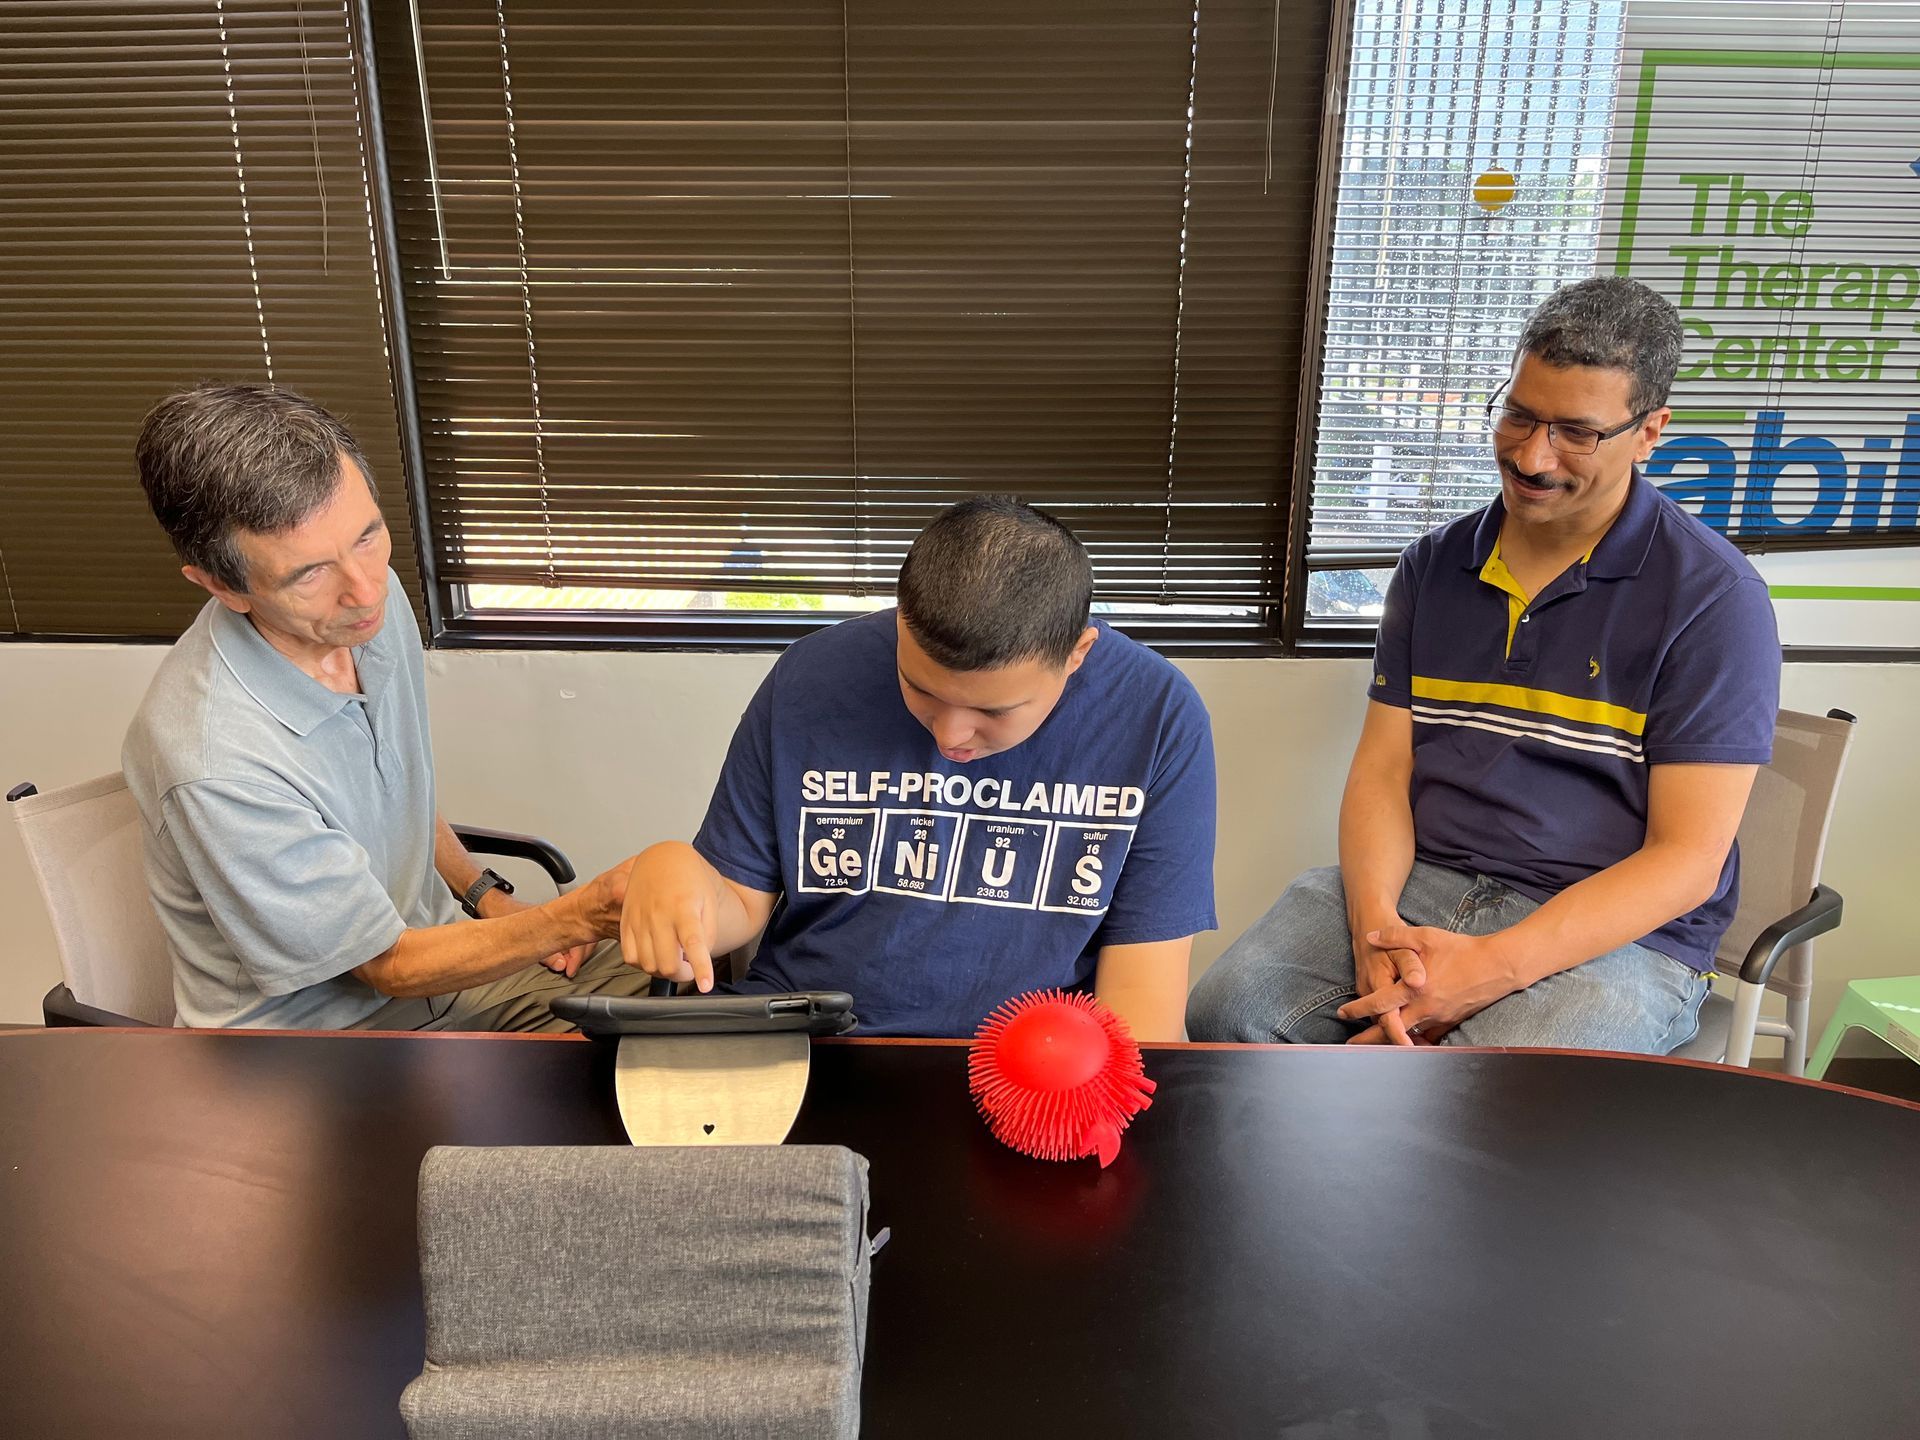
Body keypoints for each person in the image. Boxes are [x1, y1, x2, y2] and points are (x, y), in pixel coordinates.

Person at [1188, 275, 1780, 1051]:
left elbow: (1687, 862)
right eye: (1519, 415)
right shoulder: (1433, 567)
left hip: (1609, 932)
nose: (1533, 457)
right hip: (1425, 884)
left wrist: (1487, 970)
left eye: (1576, 432)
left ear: (1649, 430)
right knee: (1230, 1012)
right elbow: (1381, 773)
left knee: (1485, 1094)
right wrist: (1377, 935)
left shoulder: (1713, 598)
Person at [122, 383, 652, 1029]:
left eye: (368, 536)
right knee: (616, 1074)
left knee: (674, 974)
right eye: (309, 573)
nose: (366, 588)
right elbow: (385, 969)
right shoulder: (215, 758)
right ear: (219, 585)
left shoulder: (362, 609)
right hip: (322, 1046)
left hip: (438, 972)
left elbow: (394, 782)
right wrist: (572, 915)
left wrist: (487, 897)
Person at [616, 496, 1218, 1039]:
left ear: (1076, 655)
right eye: (920, 689)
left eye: (993, 709)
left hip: (1031, 1067)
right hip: (804, 1035)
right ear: (901, 620)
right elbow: (739, 905)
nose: (950, 736)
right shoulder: (811, 677)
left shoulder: (1156, 714)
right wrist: (674, 870)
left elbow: (1141, 997)